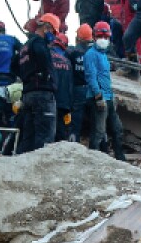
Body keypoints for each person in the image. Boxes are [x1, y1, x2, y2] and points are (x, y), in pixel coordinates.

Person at [14, 13, 59, 153]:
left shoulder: (24, 47)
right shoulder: (39, 43)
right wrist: (47, 75)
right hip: (42, 94)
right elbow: (45, 62)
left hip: (28, 94)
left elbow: (14, 67)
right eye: (53, 32)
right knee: (45, 139)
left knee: (28, 138)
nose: (53, 36)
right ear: (46, 27)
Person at [84, 21, 125, 159]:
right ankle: (92, 160)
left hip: (108, 97)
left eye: (106, 36)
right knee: (99, 131)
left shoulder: (103, 55)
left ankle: (120, 158)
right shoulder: (91, 54)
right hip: (99, 98)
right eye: (101, 36)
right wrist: (97, 95)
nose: (103, 39)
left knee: (117, 129)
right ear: (94, 36)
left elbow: (105, 77)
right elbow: (91, 76)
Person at [66, 24, 93, 143]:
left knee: (75, 119)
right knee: (95, 120)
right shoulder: (94, 53)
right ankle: (98, 149)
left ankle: (74, 141)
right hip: (92, 89)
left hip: (77, 89)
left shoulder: (73, 52)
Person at [50, 33, 76, 141]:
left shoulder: (48, 55)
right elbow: (70, 84)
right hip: (63, 103)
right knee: (60, 134)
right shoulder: (68, 62)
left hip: (49, 100)